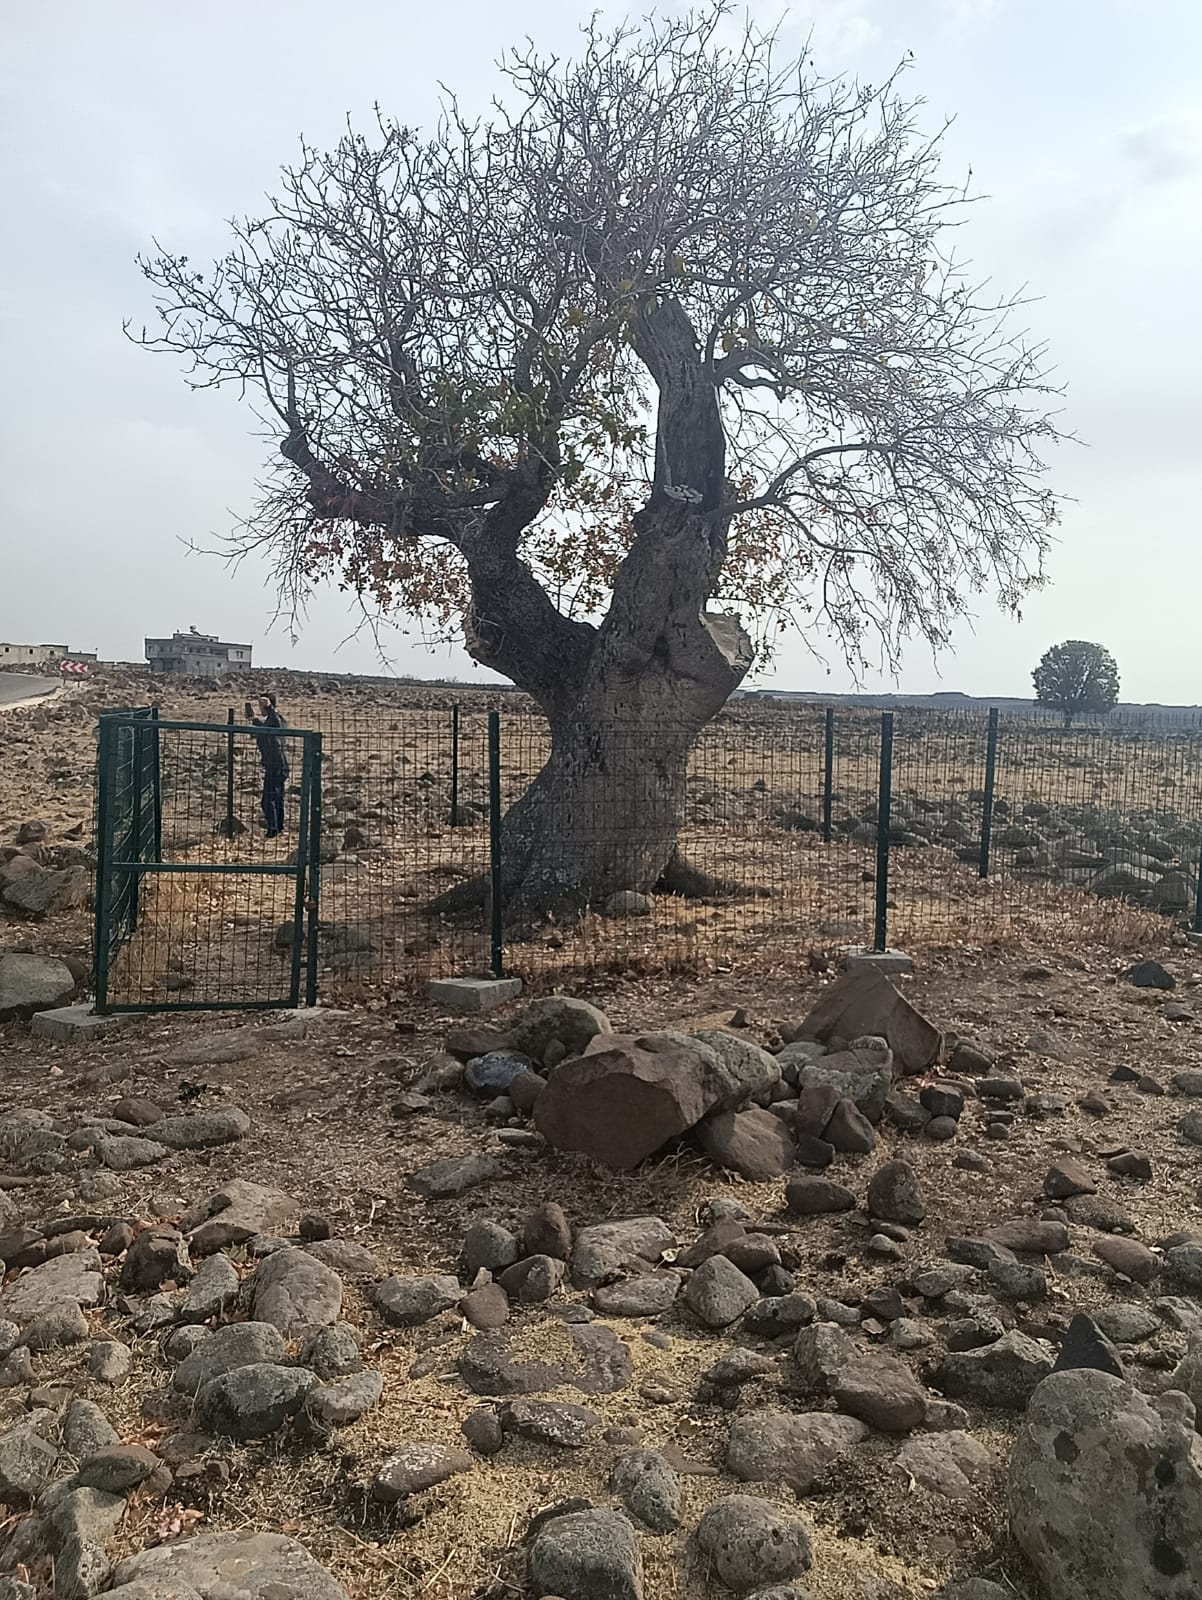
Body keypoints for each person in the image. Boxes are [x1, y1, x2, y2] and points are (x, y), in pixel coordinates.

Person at [246, 693, 288, 838]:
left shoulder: (276, 719)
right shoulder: (274, 720)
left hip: (276, 765)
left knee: (268, 800)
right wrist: (254, 720)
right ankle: (279, 827)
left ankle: (272, 829)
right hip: (276, 765)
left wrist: (269, 707)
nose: (260, 708)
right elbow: (267, 727)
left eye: (261, 705)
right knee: (277, 798)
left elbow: (274, 724)